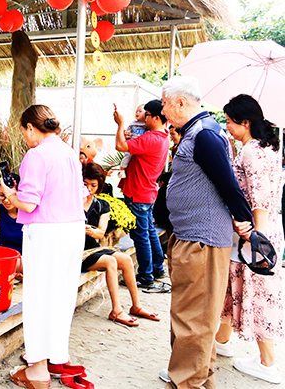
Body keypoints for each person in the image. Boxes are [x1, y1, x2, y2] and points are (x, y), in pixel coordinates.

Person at [160, 77, 252, 389]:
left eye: (165, 103)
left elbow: (228, 183)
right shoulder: (197, 133)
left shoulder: (205, 135)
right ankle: (199, 376)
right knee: (195, 314)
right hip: (193, 236)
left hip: (202, 240)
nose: (162, 109)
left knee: (194, 317)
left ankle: (188, 381)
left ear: (180, 103)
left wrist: (244, 220)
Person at [0, 105, 86, 389]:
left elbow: (30, 203)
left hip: (47, 233)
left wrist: (11, 192)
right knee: (61, 297)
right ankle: (52, 355)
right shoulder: (69, 152)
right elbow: (84, 197)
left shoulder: (36, 155)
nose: (24, 137)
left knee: (39, 297)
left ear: (31, 128)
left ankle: (37, 370)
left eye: (24, 131)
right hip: (74, 230)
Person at [215, 94, 283, 384]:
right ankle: (222, 341)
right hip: (260, 231)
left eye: (230, 122)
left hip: (253, 234)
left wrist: (256, 237)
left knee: (256, 296)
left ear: (245, 123)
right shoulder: (268, 150)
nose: (227, 127)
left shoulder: (251, 152)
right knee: (235, 289)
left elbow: (259, 198)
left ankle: (268, 363)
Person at [81, 162, 159, 328]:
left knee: (126, 260)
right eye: (85, 184)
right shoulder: (71, 203)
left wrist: (89, 230)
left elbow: (101, 232)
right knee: (111, 261)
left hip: (94, 248)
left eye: (93, 185)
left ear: (99, 185)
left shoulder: (102, 205)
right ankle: (116, 309)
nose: (88, 188)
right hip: (76, 252)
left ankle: (136, 305)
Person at [113, 99, 169, 292]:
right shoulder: (162, 136)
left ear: (154, 117)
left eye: (146, 114)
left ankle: (146, 276)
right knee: (149, 231)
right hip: (147, 191)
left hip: (138, 192)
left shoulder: (151, 139)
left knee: (140, 236)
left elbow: (120, 146)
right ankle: (157, 268)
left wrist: (120, 125)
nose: (143, 117)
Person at [119, 104, 148, 171]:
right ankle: (122, 169)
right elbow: (128, 131)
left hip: (141, 145)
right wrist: (127, 133)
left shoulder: (147, 124)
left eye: (140, 111)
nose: (137, 113)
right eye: (136, 111)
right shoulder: (133, 123)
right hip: (132, 143)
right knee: (127, 155)